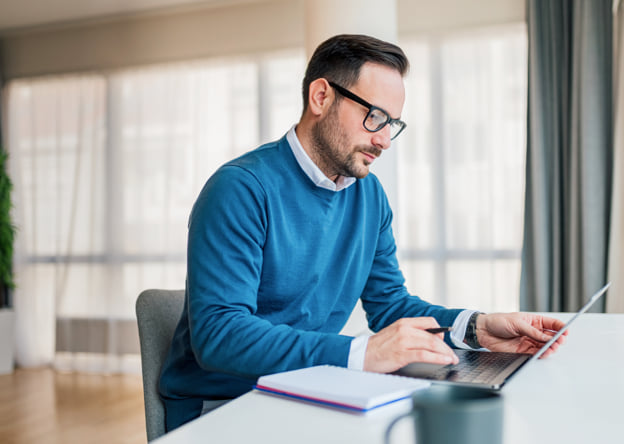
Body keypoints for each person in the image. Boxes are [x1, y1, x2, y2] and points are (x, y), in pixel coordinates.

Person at [159, 34, 568, 431]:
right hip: (223, 406)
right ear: (321, 97)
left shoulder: (368, 195)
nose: (385, 140)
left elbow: (389, 304)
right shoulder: (240, 188)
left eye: (392, 123)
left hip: (308, 388)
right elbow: (220, 335)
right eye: (374, 117)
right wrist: (362, 354)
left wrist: (476, 327)